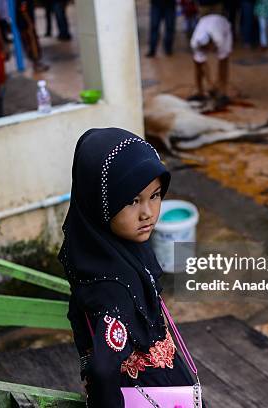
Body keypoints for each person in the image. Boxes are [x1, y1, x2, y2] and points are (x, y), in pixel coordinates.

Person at [59, 128, 205, 408]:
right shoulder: (114, 285)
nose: (148, 212)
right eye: (132, 200)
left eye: (156, 195)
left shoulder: (103, 250)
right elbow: (103, 369)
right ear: (100, 202)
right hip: (149, 396)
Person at [189, 10, 233, 105]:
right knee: (197, 64)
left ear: (212, 43)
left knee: (224, 61)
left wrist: (215, 85)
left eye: (207, 48)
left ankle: (223, 91)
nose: (206, 51)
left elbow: (222, 63)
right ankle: (199, 91)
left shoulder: (219, 39)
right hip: (205, 22)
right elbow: (202, 64)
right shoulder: (194, 42)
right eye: (203, 48)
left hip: (223, 26)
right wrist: (210, 84)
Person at [14, 0, 49, 72]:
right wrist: (30, 23)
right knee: (32, 44)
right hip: (25, 25)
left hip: (25, 24)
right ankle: (36, 65)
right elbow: (23, 9)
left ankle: (36, 63)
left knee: (32, 44)